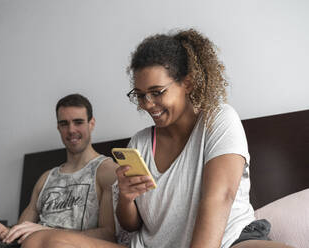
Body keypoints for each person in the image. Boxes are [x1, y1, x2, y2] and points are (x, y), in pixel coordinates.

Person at [115, 29, 294, 248]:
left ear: (187, 83)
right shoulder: (139, 144)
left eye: (157, 92)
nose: (148, 104)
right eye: (140, 95)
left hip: (229, 241)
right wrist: (125, 198)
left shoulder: (218, 120)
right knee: (60, 241)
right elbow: (131, 225)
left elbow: (219, 199)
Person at [0, 94, 118, 245]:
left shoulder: (107, 171)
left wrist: (46, 233)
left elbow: (108, 235)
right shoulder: (46, 178)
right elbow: (23, 228)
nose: (71, 130)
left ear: (91, 123)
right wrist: (7, 232)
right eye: (64, 124)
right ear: (58, 127)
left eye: (78, 122)